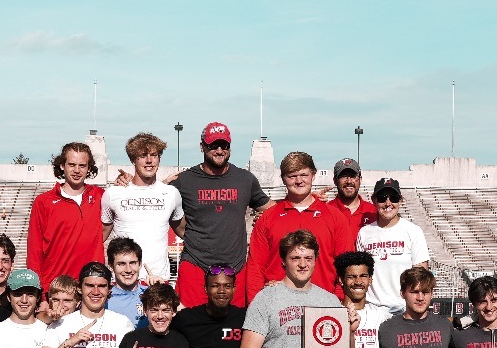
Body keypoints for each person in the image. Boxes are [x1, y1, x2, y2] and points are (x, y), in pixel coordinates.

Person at [172, 121, 269, 307]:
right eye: (213, 145)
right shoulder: (185, 181)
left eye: (224, 145)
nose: (219, 150)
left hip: (235, 267)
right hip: (196, 264)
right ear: (202, 147)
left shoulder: (245, 179)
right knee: (189, 324)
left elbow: (271, 209)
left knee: (234, 329)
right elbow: (160, 203)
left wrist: (307, 199)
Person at [244, 150, 347, 295]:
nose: (299, 181)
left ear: (313, 175)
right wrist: (256, 306)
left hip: (322, 304)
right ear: (283, 179)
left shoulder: (334, 216)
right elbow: (256, 268)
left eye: (304, 175)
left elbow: (346, 266)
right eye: (292, 176)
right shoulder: (267, 218)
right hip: (278, 303)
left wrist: (337, 303)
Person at [101, 133, 184, 283]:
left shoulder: (171, 194)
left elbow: (184, 231)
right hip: (123, 283)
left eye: (154, 155)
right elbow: (99, 236)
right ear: (133, 159)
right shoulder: (113, 194)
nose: (149, 161)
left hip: (158, 281)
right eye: (143, 155)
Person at [25, 141, 106, 286]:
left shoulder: (101, 196)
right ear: (62, 165)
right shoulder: (44, 201)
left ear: (89, 168)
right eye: (72, 164)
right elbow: (34, 252)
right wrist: (39, 292)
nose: (77, 170)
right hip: (56, 286)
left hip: (91, 286)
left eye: (82, 166)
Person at [356, 179, 432, 314]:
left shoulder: (413, 231)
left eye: (394, 198)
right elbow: (361, 274)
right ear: (374, 200)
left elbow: (421, 276)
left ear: (400, 201)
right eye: (382, 198)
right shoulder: (364, 233)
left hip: (403, 309)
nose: (388, 203)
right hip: (373, 308)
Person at [327, 158, 376, 237]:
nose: (349, 181)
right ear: (335, 181)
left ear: (360, 180)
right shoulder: (326, 211)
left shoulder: (373, 211)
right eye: (344, 176)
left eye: (353, 176)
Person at [105, 237, 147, 325]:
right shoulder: (103, 297)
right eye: (121, 264)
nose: (128, 270)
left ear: (139, 264)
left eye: (133, 263)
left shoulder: (150, 293)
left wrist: (164, 291)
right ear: (111, 266)